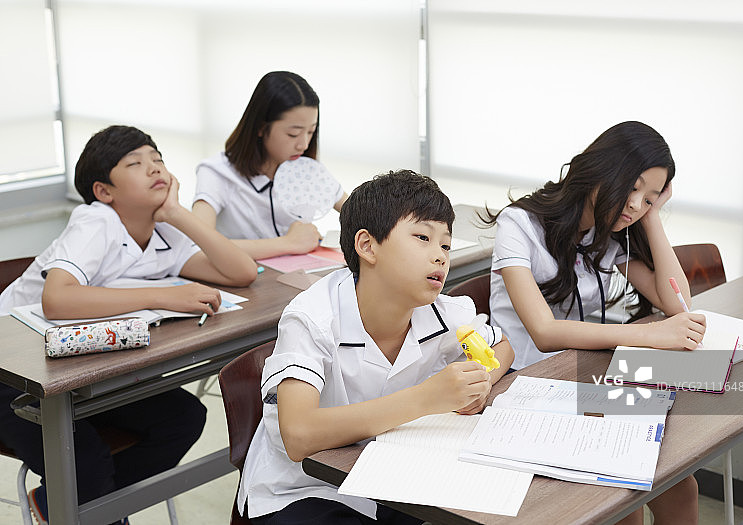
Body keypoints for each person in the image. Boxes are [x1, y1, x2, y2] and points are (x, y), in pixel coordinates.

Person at [0, 125, 257, 525]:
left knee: (183, 418)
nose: (154, 169)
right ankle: (90, 507)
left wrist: (176, 212)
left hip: (79, 370)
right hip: (15, 374)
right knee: (84, 461)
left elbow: (241, 272)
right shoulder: (96, 220)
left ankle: (76, 508)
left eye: (158, 160)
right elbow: (58, 298)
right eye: (136, 164)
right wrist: (162, 296)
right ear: (105, 191)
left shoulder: (164, 228)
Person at [237, 170, 514, 524]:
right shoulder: (312, 317)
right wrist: (427, 398)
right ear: (367, 246)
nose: (440, 256)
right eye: (422, 237)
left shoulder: (446, 312)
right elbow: (298, 435)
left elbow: (502, 345)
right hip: (306, 489)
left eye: (445, 244)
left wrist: (483, 382)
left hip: (392, 475)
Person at [484, 120, 703, 524]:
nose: (636, 204)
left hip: (580, 380)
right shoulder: (519, 225)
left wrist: (651, 218)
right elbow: (545, 332)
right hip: (525, 385)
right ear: (602, 169)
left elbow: (678, 304)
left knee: (677, 485)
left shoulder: (609, 231)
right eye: (633, 188)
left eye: (650, 197)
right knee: (624, 497)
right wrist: (648, 335)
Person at [193, 71, 347, 259]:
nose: (304, 144)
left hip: (300, 280)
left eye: (311, 132)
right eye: (293, 134)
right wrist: (287, 243)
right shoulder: (216, 172)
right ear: (260, 127)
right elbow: (198, 244)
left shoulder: (305, 171)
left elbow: (358, 211)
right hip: (246, 283)